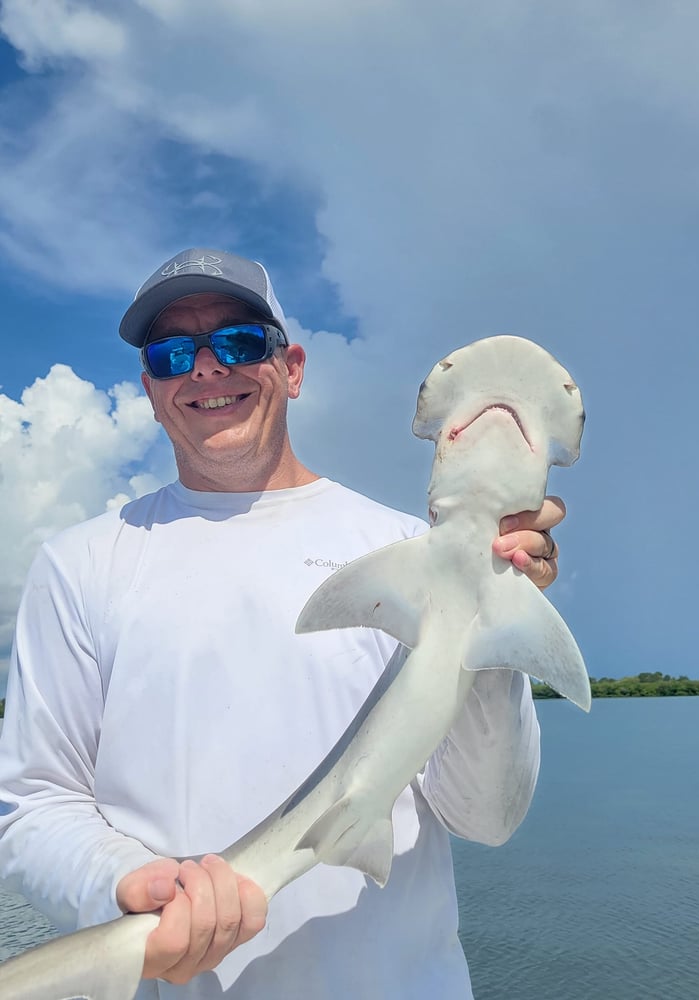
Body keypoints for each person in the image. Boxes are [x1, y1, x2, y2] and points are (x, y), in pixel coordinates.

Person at [0, 248, 566, 999]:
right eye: (173, 354)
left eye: (237, 342)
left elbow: (487, 817)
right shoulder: (81, 564)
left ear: (292, 368)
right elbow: (35, 805)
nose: (205, 369)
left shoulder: (394, 547)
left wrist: (492, 604)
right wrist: (126, 884)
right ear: (150, 390)